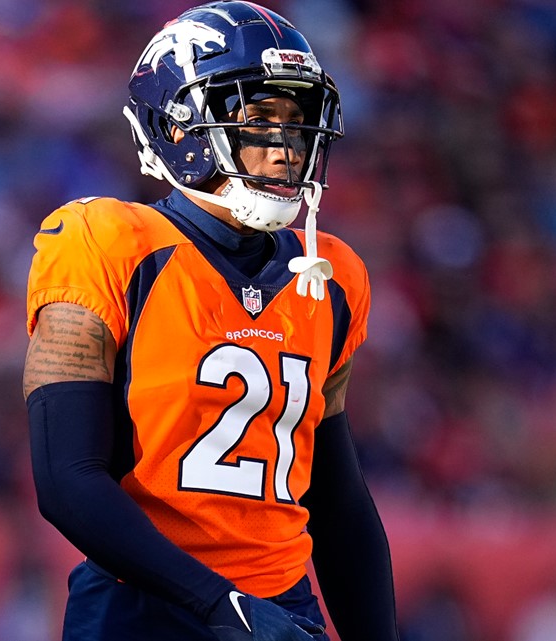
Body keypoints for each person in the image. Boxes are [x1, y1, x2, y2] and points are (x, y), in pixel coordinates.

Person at [23, 3, 399, 640]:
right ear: (179, 127)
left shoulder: (331, 276)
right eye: (260, 120)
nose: (287, 146)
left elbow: (336, 501)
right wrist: (223, 607)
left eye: (297, 121)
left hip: (280, 609)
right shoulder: (104, 241)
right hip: (140, 609)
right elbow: (67, 482)